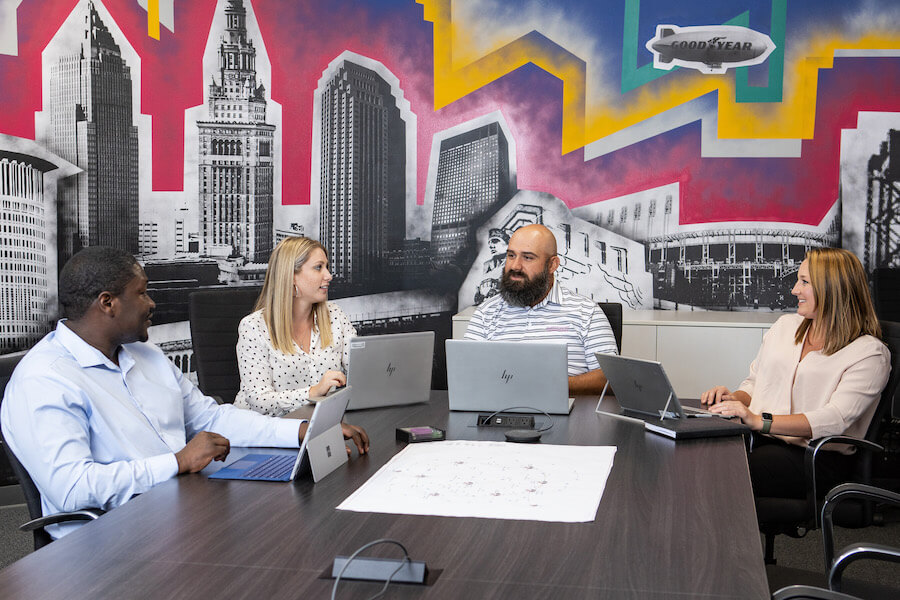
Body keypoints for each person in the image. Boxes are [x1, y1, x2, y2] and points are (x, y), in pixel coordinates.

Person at [0, 246, 369, 539]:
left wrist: (302, 431)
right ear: (107, 303)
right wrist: (177, 462)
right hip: (112, 539)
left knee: (300, 525)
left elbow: (212, 418)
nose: (152, 304)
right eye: (142, 294)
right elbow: (73, 489)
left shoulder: (146, 356)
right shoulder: (44, 380)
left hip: (183, 508)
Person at [701, 247, 890, 499]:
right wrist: (734, 400)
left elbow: (835, 418)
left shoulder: (869, 353)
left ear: (832, 288)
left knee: (722, 470)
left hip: (816, 457)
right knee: (698, 453)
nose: (794, 290)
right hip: (762, 440)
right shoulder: (785, 327)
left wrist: (760, 420)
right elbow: (755, 384)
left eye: (804, 282)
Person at [465, 223, 618, 394]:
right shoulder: (485, 313)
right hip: (498, 414)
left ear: (552, 265)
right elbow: (465, 374)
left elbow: (610, 378)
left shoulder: (587, 312)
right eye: (511, 255)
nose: (515, 266)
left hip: (568, 414)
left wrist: (547, 386)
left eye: (528, 258)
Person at [234, 237, 357, 416]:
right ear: (291, 276)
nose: (329, 276)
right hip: (265, 433)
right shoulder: (253, 327)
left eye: (327, 267)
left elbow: (359, 367)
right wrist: (313, 392)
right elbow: (259, 401)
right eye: (318, 267)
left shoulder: (335, 316)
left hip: (319, 426)